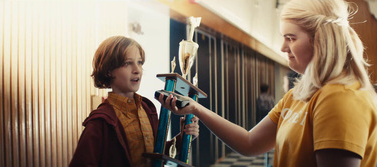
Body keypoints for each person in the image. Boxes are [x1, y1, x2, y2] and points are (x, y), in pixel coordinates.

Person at [158, 0, 377, 166]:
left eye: (290, 38)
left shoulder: (341, 97)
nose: (283, 47)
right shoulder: (298, 95)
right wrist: (196, 108)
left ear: (322, 39)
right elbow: (249, 142)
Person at [69, 36, 199, 167]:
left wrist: (183, 137)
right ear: (108, 71)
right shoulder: (100, 122)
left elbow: (157, 153)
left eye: (140, 62)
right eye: (127, 63)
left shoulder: (148, 108)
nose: (137, 70)